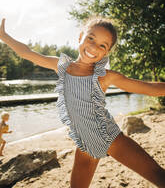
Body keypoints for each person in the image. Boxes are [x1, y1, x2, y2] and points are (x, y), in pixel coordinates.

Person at [0, 17, 165, 188]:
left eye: (102, 45)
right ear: (80, 36)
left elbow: (149, 88)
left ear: (106, 53)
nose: (94, 47)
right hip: (85, 144)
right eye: (91, 38)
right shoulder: (62, 65)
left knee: (158, 176)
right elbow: (28, 53)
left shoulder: (104, 76)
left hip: (109, 136)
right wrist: (4, 37)